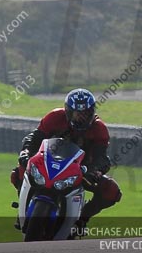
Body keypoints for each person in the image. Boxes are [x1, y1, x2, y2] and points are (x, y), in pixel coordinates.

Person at [10, 88, 122, 229]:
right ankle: (23, 207)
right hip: (48, 164)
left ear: (93, 112)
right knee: (18, 172)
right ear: (68, 112)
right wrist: (26, 152)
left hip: (79, 172)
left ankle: (81, 219)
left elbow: (102, 157)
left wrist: (94, 171)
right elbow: (34, 137)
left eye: (86, 113)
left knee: (111, 191)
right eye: (78, 113)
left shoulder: (99, 129)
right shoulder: (55, 117)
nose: (82, 118)